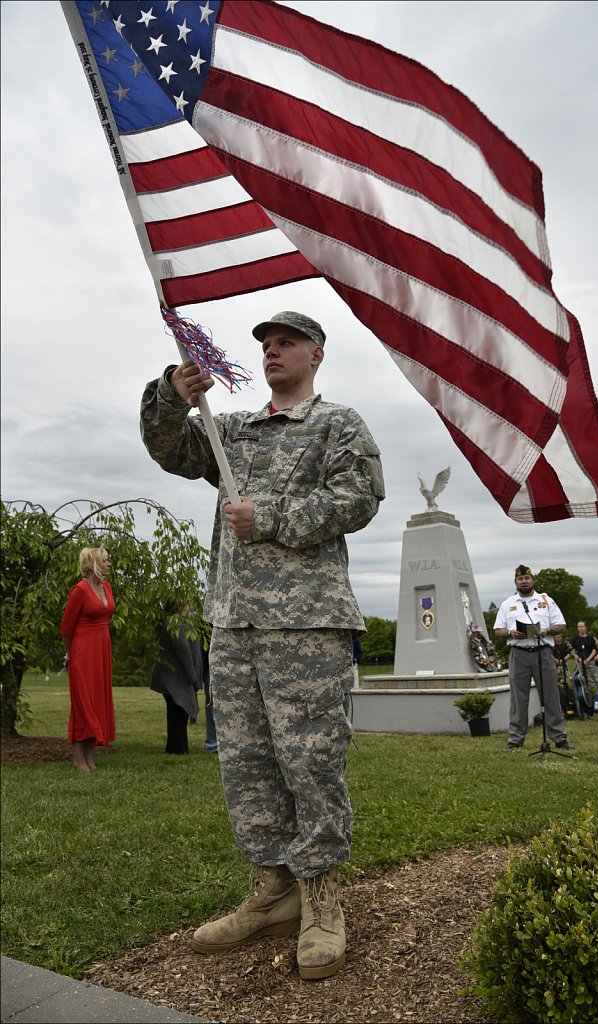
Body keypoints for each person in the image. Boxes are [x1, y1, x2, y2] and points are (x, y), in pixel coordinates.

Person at [140, 310, 384, 979]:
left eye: (285, 343)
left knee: (310, 762)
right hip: (236, 623)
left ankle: (322, 898)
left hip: (306, 624)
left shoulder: (337, 424)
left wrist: (271, 516)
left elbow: (361, 495)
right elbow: (170, 448)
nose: (273, 352)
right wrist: (173, 390)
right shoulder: (236, 431)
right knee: (245, 766)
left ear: (317, 353)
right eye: (266, 346)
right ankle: (272, 890)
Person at [494, 565, 571, 750]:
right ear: (515, 582)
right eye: (520, 579)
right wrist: (511, 633)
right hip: (518, 654)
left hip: (543, 652)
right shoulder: (508, 604)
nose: (524, 581)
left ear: (532, 580)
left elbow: (560, 625)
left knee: (551, 696)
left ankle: (559, 738)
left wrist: (546, 630)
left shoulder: (545, 600)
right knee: (518, 698)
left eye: (527, 578)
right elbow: (498, 630)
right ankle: (515, 739)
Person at [60, 547, 116, 772]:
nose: (109, 564)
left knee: (97, 701)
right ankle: (78, 759)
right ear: (93, 564)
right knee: (82, 704)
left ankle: (90, 757)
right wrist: (70, 654)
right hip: (82, 652)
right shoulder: (79, 591)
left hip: (102, 651)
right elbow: (66, 629)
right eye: (105, 560)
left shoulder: (106, 587)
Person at [151, 604, 201, 754]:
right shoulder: (176, 622)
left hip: (174, 676)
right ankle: (178, 749)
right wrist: (192, 674)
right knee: (178, 713)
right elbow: (182, 648)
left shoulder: (178, 621)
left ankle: (175, 748)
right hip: (176, 677)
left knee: (176, 714)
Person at [569, 621, 598, 702]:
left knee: (593, 681)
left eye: (582, 626)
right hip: (579, 662)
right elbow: (572, 651)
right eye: (578, 626)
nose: (580, 628)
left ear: (585, 627)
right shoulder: (574, 639)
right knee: (579, 679)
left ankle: (595, 699)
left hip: (590, 662)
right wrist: (579, 659)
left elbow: (594, 650)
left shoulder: (590, 639)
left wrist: (587, 660)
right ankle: (582, 697)